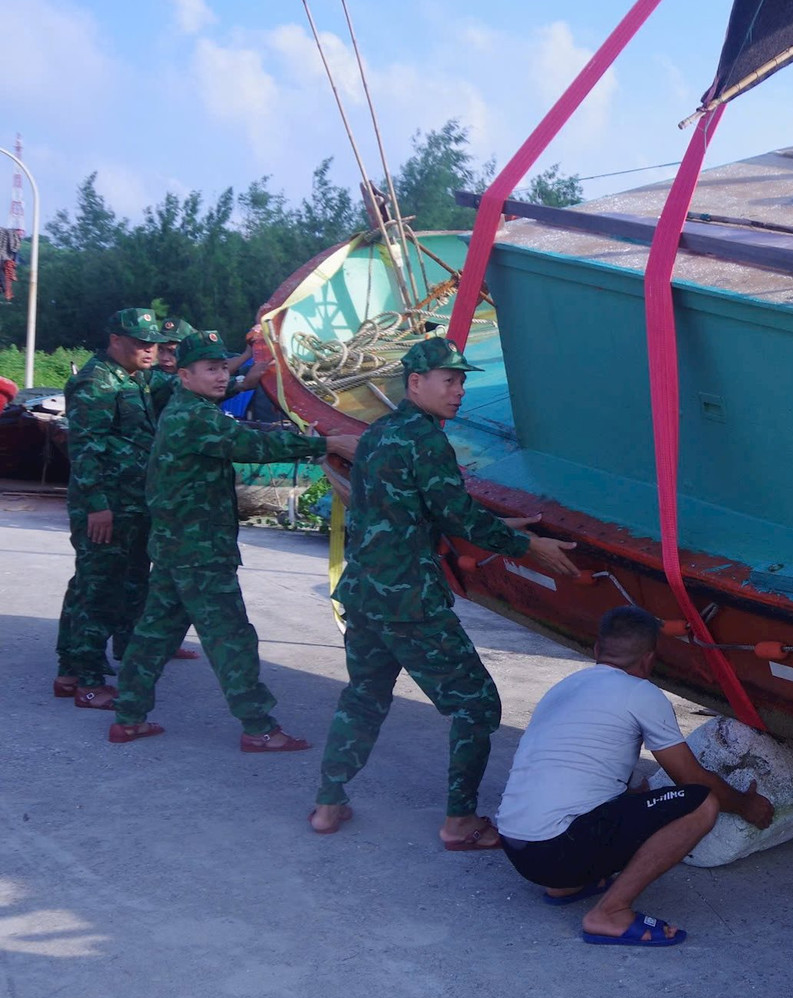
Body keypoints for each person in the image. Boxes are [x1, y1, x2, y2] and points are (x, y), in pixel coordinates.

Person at [313, 336, 580, 848]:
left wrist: (502, 521)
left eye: (462, 381)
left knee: (364, 697)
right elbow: (454, 514)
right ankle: (459, 822)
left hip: (364, 593)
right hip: (408, 600)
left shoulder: (378, 434)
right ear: (416, 383)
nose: (459, 391)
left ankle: (328, 803)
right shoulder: (427, 439)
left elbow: (423, 506)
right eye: (449, 381)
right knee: (476, 705)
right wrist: (528, 546)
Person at [107, 330, 358, 749]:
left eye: (223, 367)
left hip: (176, 546)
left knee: (155, 633)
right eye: (211, 369)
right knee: (231, 638)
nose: (221, 376)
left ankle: (128, 716)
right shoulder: (196, 417)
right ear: (184, 375)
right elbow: (251, 444)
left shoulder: (185, 407)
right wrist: (328, 441)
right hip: (200, 549)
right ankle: (259, 728)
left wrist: (248, 377)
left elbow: (232, 424)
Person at [494, 606, 776, 945]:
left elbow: (582, 769)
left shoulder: (566, 686)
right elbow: (691, 779)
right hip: (559, 850)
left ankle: (566, 885)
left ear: (597, 650)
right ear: (648, 660)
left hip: (518, 848)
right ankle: (610, 912)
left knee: (636, 797)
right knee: (701, 803)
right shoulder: (641, 694)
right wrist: (747, 805)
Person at [55, 308, 173, 708]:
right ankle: (88, 681)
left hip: (131, 504)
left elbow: (185, 384)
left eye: (153, 342)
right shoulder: (96, 381)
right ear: (115, 340)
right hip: (106, 506)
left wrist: (246, 366)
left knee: (101, 584)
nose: (150, 349)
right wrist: (97, 507)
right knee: (98, 589)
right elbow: (85, 450)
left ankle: (70, 670)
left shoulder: (136, 377)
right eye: (141, 342)